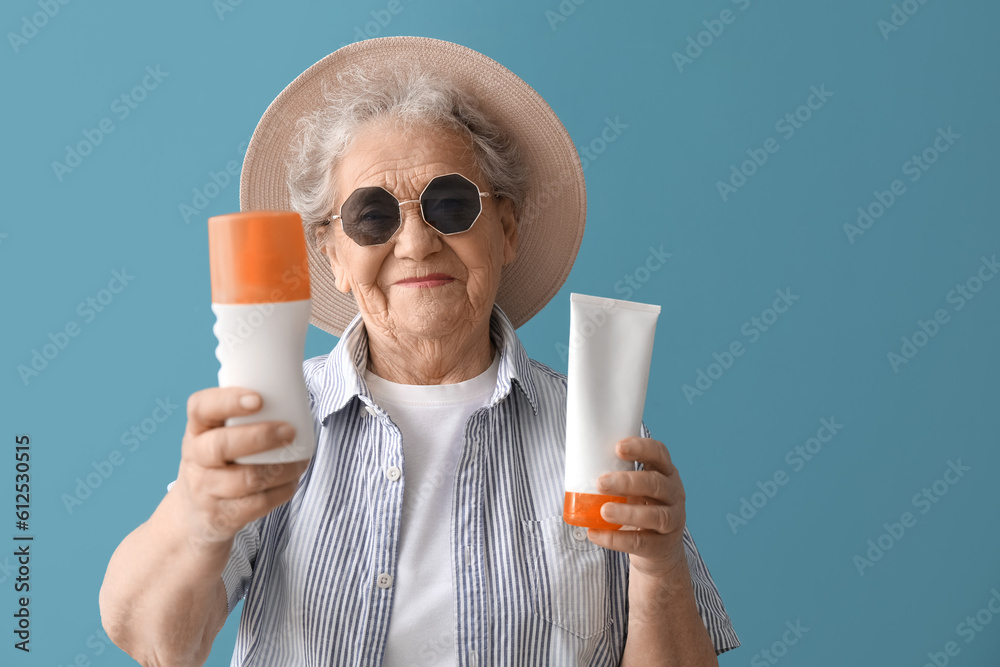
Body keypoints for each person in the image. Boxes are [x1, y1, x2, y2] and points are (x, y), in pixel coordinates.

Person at [99, 37, 740, 666]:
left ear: (507, 229)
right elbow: (157, 645)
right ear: (334, 256)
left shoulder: (595, 432)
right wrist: (196, 515)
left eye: (451, 205)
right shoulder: (273, 418)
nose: (415, 243)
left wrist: (659, 567)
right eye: (373, 217)